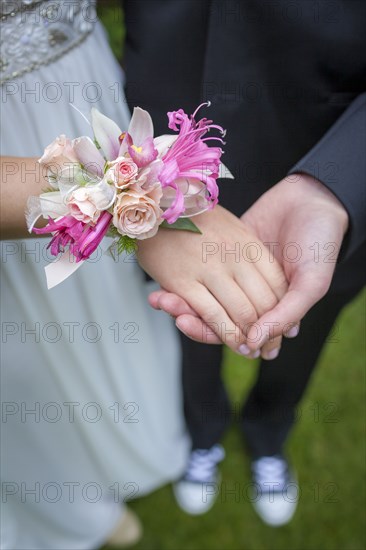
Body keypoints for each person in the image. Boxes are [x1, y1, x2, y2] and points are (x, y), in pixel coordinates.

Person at [0, 1, 292, 546]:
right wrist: (139, 212)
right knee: (22, 355)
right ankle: (71, 503)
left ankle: (122, 453)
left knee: (113, 322)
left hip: (87, 96)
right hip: (30, 172)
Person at [122, 0, 366, 526]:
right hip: (166, 139)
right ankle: (203, 432)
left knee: (302, 326)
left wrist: (339, 181)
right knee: (192, 322)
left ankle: (268, 434)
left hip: (318, 128)